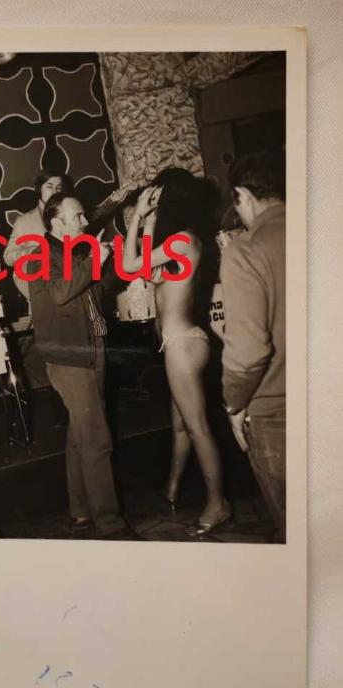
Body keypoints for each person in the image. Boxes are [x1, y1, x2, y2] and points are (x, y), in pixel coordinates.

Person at [123, 167, 230, 537]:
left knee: (197, 428)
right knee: (183, 424)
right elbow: (149, 275)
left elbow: (129, 265)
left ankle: (218, 504)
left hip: (182, 345)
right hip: (184, 342)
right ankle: (171, 487)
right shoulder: (183, 242)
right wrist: (149, 221)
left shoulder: (184, 240)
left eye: (159, 197)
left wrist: (137, 216)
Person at [27, 191, 139, 539]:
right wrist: (93, 261)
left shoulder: (74, 252)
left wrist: (112, 260)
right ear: (56, 221)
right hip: (71, 358)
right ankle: (110, 523)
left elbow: (99, 291)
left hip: (92, 348)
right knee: (96, 438)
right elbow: (61, 293)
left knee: (81, 435)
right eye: (77, 216)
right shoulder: (41, 255)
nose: (85, 221)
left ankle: (80, 511)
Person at [220, 149, 286, 542]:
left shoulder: (245, 250)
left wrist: (234, 405)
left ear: (243, 196)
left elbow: (248, 354)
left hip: (278, 413)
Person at [3, 169, 72, 301]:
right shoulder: (24, 221)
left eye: (58, 188)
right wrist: (34, 250)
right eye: (49, 186)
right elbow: (8, 257)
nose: (54, 192)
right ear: (39, 189)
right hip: (40, 296)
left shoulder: (71, 217)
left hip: (69, 290)